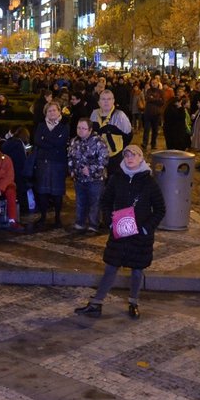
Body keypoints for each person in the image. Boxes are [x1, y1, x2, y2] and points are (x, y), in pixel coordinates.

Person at [75, 145, 165, 320]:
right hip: (119, 231)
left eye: (134, 155)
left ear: (141, 158)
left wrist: (146, 228)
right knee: (111, 267)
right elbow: (106, 201)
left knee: (137, 270)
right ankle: (97, 303)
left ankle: (133, 302)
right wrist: (110, 222)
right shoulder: (117, 178)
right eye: (127, 155)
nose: (130, 158)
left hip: (140, 234)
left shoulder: (149, 182)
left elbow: (160, 209)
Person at [67, 118, 109, 232]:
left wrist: (91, 169)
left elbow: (104, 160)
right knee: (80, 202)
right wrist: (71, 169)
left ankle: (93, 225)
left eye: (83, 128)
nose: (80, 131)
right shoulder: (74, 141)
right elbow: (70, 156)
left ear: (90, 130)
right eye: (78, 128)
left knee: (94, 203)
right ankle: (80, 223)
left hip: (95, 179)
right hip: (79, 178)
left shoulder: (99, 142)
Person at [32, 101, 70, 228]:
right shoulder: (41, 125)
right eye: (49, 111)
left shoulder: (65, 126)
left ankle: (57, 217)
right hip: (43, 162)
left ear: (59, 111)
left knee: (57, 192)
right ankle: (43, 216)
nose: (52, 113)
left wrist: (46, 140)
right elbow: (37, 140)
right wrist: (52, 143)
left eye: (54, 110)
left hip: (58, 162)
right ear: (45, 113)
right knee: (42, 190)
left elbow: (61, 142)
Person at [90, 90, 133, 177]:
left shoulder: (120, 115)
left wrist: (119, 148)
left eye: (109, 99)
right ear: (99, 102)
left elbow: (128, 135)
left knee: (113, 183)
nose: (106, 101)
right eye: (103, 99)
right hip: (96, 156)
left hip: (114, 157)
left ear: (113, 101)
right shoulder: (94, 114)